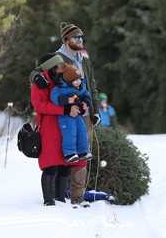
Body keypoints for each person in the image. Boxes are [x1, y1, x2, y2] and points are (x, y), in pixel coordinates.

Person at [30, 53, 86, 206]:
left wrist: (80, 105)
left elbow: (77, 92)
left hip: (66, 126)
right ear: (52, 67)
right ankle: (49, 200)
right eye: (59, 66)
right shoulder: (40, 83)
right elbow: (39, 105)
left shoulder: (63, 80)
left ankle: (60, 198)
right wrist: (65, 110)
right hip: (48, 127)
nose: (63, 67)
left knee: (65, 163)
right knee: (50, 164)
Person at [56, 22, 101, 206]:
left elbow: (93, 88)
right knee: (64, 152)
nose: (80, 40)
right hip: (65, 114)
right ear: (67, 40)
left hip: (85, 115)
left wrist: (95, 111)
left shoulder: (85, 61)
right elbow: (36, 74)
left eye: (81, 37)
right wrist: (37, 77)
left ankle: (77, 196)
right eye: (76, 37)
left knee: (83, 154)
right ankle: (58, 193)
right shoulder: (57, 58)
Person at [51, 63, 93, 163]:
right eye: (76, 80)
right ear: (69, 80)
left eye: (79, 79)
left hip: (78, 115)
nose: (79, 82)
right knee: (70, 132)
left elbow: (87, 94)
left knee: (82, 131)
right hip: (66, 116)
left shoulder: (80, 88)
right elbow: (54, 97)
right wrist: (67, 100)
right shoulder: (61, 88)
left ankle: (83, 151)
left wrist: (85, 102)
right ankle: (69, 153)